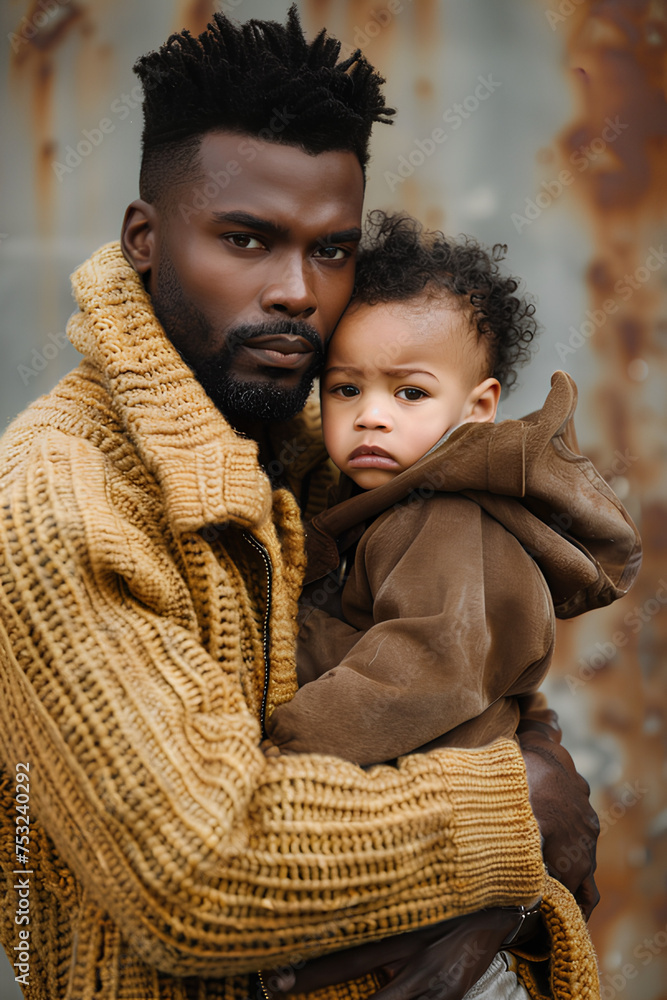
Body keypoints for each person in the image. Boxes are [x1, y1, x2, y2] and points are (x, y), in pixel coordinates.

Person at [0, 9, 610, 1000]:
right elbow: (199, 874)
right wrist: (514, 816)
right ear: (145, 240)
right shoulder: (58, 497)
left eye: (330, 251)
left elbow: (483, 675)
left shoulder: (331, 442)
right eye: (246, 240)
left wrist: (509, 857)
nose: (297, 291)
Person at [262, 213, 641, 998]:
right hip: (434, 843)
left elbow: (426, 668)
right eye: (345, 388)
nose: (371, 413)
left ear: (478, 407)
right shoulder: (386, 504)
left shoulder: (440, 516)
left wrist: (282, 748)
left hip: (453, 849)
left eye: (408, 391)